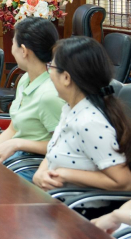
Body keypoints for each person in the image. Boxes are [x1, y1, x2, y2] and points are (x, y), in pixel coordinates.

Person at [32, 37, 131, 192]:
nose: (49, 72)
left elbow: (124, 182)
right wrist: (41, 172)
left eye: (51, 66)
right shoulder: (70, 108)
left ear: (66, 78)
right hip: (53, 199)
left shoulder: (89, 122)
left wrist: (66, 174)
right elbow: (54, 151)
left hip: (74, 205)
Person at [0, 17, 64, 181]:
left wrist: (18, 144)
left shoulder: (50, 94)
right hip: (17, 156)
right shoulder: (25, 79)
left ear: (24, 50)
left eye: (13, 43)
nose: (11, 49)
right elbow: (13, 128)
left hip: (35, 166)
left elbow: (65, 146)